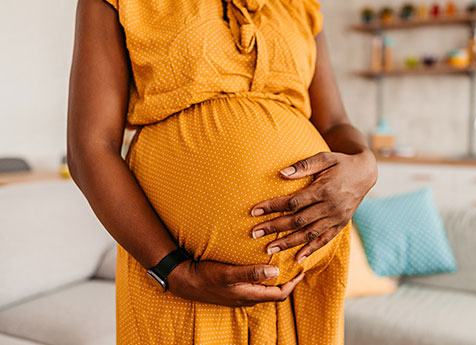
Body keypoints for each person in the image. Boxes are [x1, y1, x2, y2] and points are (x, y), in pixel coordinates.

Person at [66, 0, 377, 344]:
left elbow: (334, 122)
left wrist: (364, 163)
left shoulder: (301, 5)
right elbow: (91, 147)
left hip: (299, 289)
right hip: (180, 281)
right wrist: (175, 271)